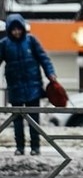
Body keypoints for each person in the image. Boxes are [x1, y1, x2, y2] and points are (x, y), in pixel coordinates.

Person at [1, 13, 57, 156]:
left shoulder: (31, 41)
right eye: (13, 30)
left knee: (34, 119)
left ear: (23, 28)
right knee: (17, 120)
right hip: (15, 87)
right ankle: (20, 147)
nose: (17, 32)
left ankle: (35, 147)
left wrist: (51, 74)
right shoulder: (5, 44)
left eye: (18, 29)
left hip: (33, 87)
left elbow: (44, 58)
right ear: (9, 30)